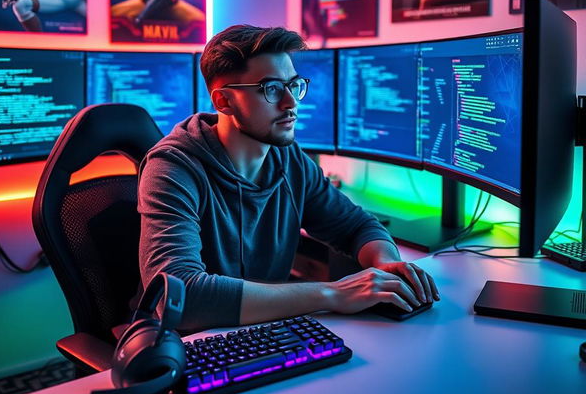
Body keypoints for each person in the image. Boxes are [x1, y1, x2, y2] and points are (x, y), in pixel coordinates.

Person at [138, 24, 439, 332]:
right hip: (189, 347)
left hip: (265, 334)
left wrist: (385, 263)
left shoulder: (289, 158)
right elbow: (180, 296)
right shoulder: (172, 169)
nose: (291, 102)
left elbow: (356, 226)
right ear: (224, 102)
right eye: (271, 89)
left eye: (293, 85)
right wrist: (331, 293)